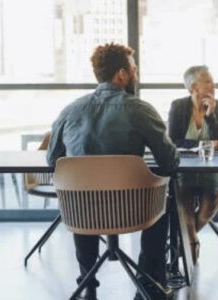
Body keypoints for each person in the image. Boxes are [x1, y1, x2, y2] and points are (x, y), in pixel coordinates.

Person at [47, 43, 178, 300]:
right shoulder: (140, 109)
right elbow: (171, 161)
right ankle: (149, 281)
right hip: (134, 209)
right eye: (134, 69)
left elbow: (53, 160)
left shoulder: (70, 110)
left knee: (82, 195)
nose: (136, 75)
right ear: (121, 74)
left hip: (82, 213)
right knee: (166, 190)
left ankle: (87, 282)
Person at [167, 65, 218, 265]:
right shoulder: (178, 107)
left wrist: (211, 116)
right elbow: (173, 141)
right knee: (182, 198)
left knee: (209, 202)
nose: (214, 85)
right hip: (184, 169)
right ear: (194, 87)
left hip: (212, 168)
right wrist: (205, 144)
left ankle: (186, 236)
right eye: (208, 81)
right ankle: (192, 243)